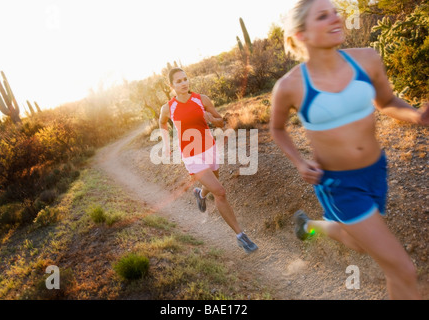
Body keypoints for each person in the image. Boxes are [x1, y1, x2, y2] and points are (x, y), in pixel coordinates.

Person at [270, 0, 428, 299]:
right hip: (338, 184)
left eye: (335, 12)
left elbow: (387, 103)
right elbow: (277, 129)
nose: (336, 18)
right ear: (301, 35)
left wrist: (416, 116)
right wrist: (299, 162)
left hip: (375, 171)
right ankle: (319, 222)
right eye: (323, 16)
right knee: (402, 270)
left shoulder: (367, 59)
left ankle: (311, 225)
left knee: (356, 242)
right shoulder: (290, 86)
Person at [159, 67, 258, 254]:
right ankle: (241, 236)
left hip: (210, 149)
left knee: (213, 182)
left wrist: (210, 117)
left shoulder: (201, 99)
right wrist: (166, 143)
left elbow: (221, 122)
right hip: (191, 156)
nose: (183, 83)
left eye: (185, 79)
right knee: (220, 192)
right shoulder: (168, 108)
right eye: (178, 81)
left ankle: (200, 194)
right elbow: (161, 123)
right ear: (171, 85)